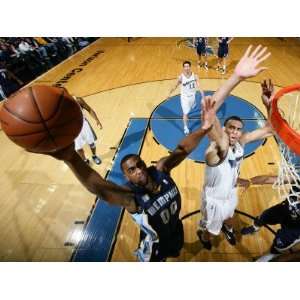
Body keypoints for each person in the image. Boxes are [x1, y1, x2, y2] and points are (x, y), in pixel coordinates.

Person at [37, 96, 217, 262]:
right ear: (126, 176)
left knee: (176, 252)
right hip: (155, 244)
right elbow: (102, 189)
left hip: (175, 229)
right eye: (132, 170)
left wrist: (204, 128)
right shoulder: (131, 197)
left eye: (140, 165)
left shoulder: (162, 170)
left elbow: (182, 150)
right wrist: (71, 158)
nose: (138, 170)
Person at [196, 45, 274, 250]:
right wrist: (237, 77)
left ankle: (228, 228)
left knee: (230, 217)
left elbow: (271, 129)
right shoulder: (217, 147)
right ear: (224, 128)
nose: (234, 132)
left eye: (238, 129)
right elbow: (209, 112)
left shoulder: (241, 142)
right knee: (210, 230)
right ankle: (203, 236)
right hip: (213, 200)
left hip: (230, 192)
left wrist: (269, 105)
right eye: (230, 127)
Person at [240, 175, 300, 261]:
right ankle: (255, 227)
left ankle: (271, 255)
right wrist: (248, 181)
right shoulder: (297, 175)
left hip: (295, 227)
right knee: (264, 216)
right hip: (285, 209)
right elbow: (268, 178)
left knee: (278, 245)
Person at [168, 61, 205, 135]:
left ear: (190, 67)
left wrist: (203, 96)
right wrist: (169, 93)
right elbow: (175, 86)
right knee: (185, 113)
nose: (187, 68)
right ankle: (186, 127)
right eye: (185, 66)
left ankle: (193, 105)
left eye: (188, 66)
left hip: (192, 96)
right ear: (183, 68)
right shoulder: (181, 77)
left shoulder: (195, 76)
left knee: (191, 107)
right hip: (184, 97)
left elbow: (199, 86)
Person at [73, 95, 103, 165]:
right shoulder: (59, 106)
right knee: (78, 148)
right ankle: (85, 160)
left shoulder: (78, 100)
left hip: (84, 125)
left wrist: (97, 119)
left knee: (92, 143)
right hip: (73, 129)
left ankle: (94, 156)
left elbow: (89, 109)